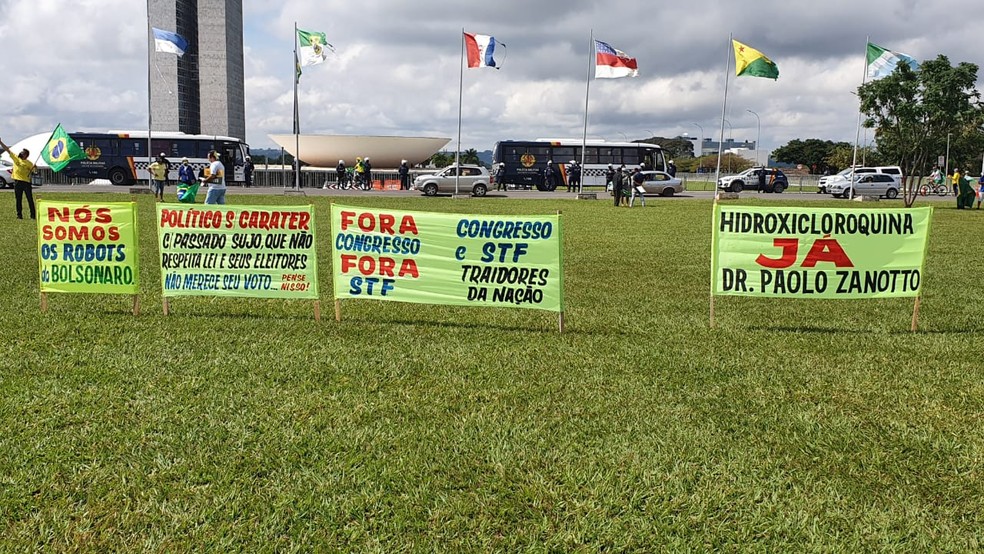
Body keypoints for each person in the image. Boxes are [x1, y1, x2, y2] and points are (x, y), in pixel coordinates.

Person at [0, 136, 37, 219]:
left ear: (26, 155)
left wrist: (35, 167)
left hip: (26, 182)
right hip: (17, 182)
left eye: (23, 153)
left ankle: (32, 215)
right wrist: (0, 142)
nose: (21, 153)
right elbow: (7, 150)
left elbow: (34, 171)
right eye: (21, 152)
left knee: (29, 199)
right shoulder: (16, 158)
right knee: (18, 199)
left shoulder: (29, 163)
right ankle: (19, 215)